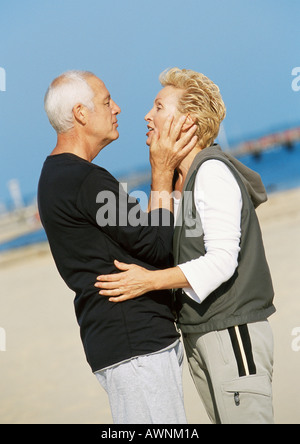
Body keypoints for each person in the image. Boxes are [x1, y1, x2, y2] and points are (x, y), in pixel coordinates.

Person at [95, 67, 276, 424]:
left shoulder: (211, 172)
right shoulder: (182, 180)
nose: (147, 115)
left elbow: (222, 261)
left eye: (159, 107)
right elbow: (157, 245)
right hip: (200, 334)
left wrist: (147, 281)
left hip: (232, 331)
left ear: (188, 122)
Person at [38, 70, 198, 424]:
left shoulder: (56, 177)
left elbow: (143, 236)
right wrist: (161, 170)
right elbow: (158, 244)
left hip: (118, 342)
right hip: (136, 346)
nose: (118, 109)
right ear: (81, 114)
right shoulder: (83, 178)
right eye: (107, 101)